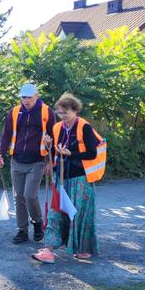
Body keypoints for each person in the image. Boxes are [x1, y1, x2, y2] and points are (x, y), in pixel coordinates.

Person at [32, 93, 101, 263]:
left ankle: (83, 249)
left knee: (79, 215)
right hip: (61, 177)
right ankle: (49, 249)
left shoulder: (84, 127)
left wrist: (72, 154)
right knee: (56, 213)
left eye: (66, 113)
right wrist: (48, 146)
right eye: (60, 113)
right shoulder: (57, 128)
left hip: (80, 179)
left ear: (75, 110)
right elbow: (55, 151)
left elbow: (92, 153)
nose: (63, 117)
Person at [0, 83, 56, 244]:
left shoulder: (46, 112)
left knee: (29, 195)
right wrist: (0, 154)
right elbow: (6, 135)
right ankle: (22, 230)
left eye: (29, 97)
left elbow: (54, 136)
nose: (26, 100)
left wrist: (51, 161)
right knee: (18, 196)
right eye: (23, 97)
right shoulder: (14, 112)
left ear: (36, 96)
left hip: (37, 161)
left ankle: (37, 222)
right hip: (17, 160)